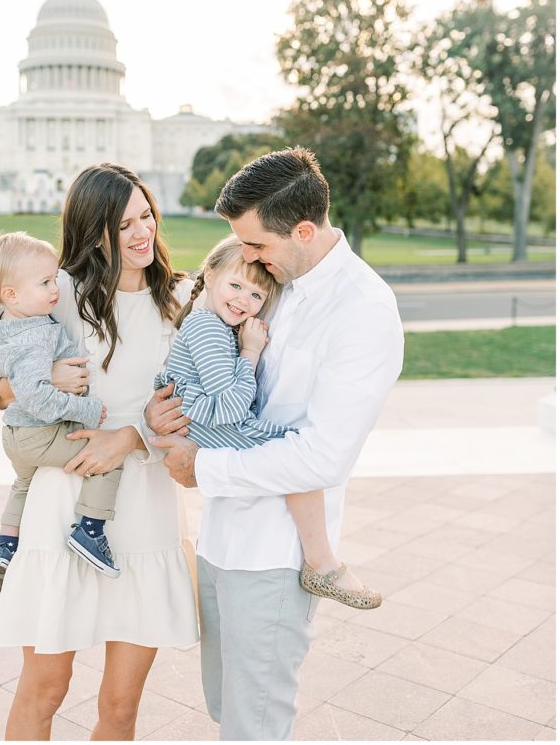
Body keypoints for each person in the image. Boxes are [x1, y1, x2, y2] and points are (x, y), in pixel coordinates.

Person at [148, 147, 404, 741]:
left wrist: (201, 466)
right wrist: (163, 413)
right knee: (223, 705)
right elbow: (206, 371)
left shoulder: (363, 310)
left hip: (275, 553)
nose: (248, 259)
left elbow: (322, 455)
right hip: (220, 538)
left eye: (257, 245)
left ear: (304, 230)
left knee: (255, 724)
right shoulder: (272, 281)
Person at [0, 163, 198, 741]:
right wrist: (38, 377)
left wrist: (130, 437)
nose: (141, 232)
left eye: (146, 215)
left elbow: (196, 406)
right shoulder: (60, 293)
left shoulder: (180, 298)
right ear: (92, 230)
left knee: (120, 706)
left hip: (143, 512)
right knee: (45, 690)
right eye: (122, 223)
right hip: (61, 510)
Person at [155, 233, 381, 608]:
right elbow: (229, 408)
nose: (244, 300)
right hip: (211, 423)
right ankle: (322, 562)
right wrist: (250, 351)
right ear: (209, 275)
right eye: (236, 285)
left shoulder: (211, 324)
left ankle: (320, 559)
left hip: (205, 420)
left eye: (257, 296)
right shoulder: (209, 328)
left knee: (292, 452)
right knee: (295, 455)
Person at [0, 231, 123, 589]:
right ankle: (90, 531)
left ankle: (6, 547)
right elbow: (38, 399)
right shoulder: (36, 335)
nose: (55, 288)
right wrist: (85, 409)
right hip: (37, 433)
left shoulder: (0, 321)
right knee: (107, 459)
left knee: (22, 483)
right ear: (11, 294)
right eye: (44, 282)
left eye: (54, 277)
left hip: (13, 434)